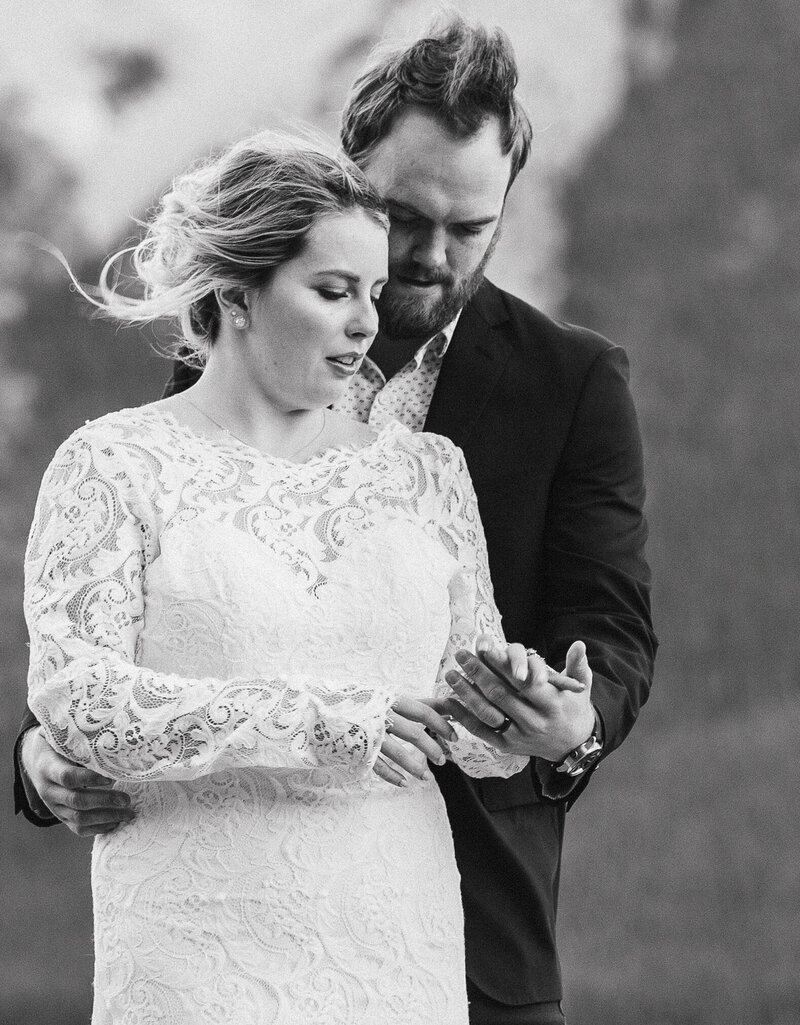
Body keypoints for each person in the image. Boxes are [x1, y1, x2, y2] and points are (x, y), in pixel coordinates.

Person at [15, 14, 657, 1025]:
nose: (429, 260)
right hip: (202, 930)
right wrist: (44, 753)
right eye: (404, 218)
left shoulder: (564, 386)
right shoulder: (222, 361)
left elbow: (604, 634)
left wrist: (554, 718)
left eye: (470, 229)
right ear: (348, 174)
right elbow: (152, 614)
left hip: (457, 936)